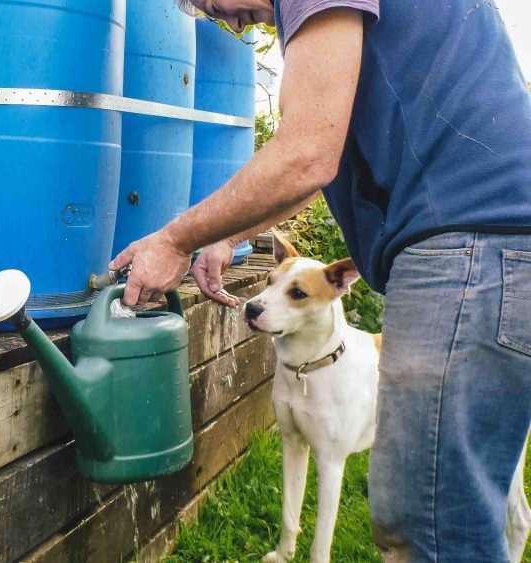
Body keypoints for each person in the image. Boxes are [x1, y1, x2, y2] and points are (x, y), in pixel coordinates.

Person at [111, 0, 531, 560]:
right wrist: (225, 235)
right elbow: (323, 162)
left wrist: (173, 240)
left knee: (429, 524)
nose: (223, 22)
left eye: (213, 4)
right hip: (498, 249)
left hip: (468, 247)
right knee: (462, 507)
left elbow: (307, 154)